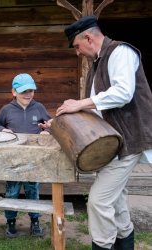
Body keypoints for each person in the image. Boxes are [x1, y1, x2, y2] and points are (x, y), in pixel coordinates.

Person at [45, 16, 152, 250]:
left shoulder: (121, 52)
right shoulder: (98, 62)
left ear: (89, 38)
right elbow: (99, 112)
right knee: (117, 199)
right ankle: (125, 242)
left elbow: (123, 93)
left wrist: (81, 102)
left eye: (76, 46)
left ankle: (103, 245)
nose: (77, 52)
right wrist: (61, 122)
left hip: (128, 140)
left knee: (98, 201)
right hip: (112, 142)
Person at [0, 73, 51, 238]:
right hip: (13, 158)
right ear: (14, 92)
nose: (28, 94)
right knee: (12, 191)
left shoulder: (39, 107)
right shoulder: (7, 109)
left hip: (33, 158)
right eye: (23, 91)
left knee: (33, 190)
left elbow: (49, 124)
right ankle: (10, 222)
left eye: (31, 90)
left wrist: (46, 130)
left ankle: (35, 222)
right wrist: (2, 130)